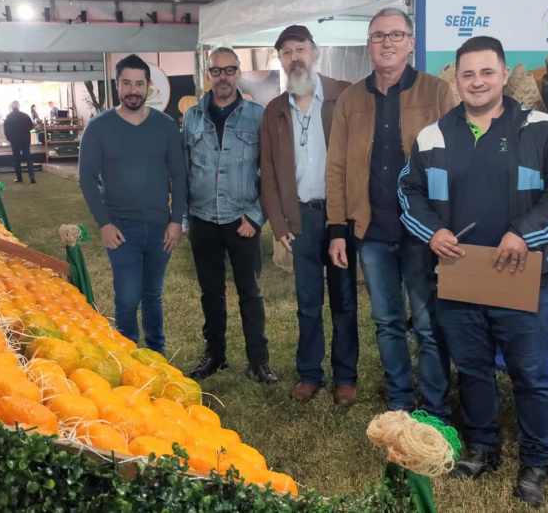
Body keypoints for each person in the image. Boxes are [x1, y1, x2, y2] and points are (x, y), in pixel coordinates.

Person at [399, 35, 548, 506]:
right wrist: (433, 232)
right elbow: (409, 191)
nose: (477, 81)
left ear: (503, 76)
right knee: (474, 368)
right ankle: (482, 447)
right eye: (467, 73)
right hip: (460, 276)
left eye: (486, 72)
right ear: (455, 80)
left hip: (522, 274)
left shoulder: (538, 128)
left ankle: (536, 460)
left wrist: (525, 232)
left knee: (531, 372)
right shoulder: (433, 135)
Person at [326, 7, 456, 418]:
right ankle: (400, 397)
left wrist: (446, 223)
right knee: (386, 321)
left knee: (428, 324)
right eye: (379, 36)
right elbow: (337, 168)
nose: (387, 43)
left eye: (396, 35)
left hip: (424, 231)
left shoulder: (436, 93)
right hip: (372, 231)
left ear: (411, 43)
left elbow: (458, 161)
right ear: (368, 45)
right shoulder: (350, 99)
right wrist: (336, 229)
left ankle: (434, 405)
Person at [260, 26, 357, 402]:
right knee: (307, 302)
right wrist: (279, 222)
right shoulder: (274, 111)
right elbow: (267, 172)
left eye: (300, 48)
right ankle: (310, 372)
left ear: (315, 53)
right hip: (300, 219)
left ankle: (346, 377)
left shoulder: (343, 96)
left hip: (339, 217)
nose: (294, 57)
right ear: (281, 61)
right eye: (286, 52)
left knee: (344, 299)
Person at [78, 54, 186, 356]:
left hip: (159, 227)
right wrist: (104, 224)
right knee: (126, 298)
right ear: (117, 85)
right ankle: (126, 358)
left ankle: (156, 355)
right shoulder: (99, 128)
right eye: (127, 83)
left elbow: (179, 175)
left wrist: (176, 220)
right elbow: (86, 178)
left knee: (153, 294)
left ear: (149, 86)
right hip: (121, 229)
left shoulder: (164, 127)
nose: (133, 90)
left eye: (139, 83)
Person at [182, 48, 277, 385]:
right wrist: (184, 219)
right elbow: (182, 171)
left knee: (250, 292)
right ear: (207, 75)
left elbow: (271, 170)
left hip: (243, 221)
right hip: (202, 219)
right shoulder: (192, 118)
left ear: (238, 74)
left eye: (229, 70)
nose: (222, 77)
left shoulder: (258, 116)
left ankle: (258, 360)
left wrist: (257, 216)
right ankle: (215, 355)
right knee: (211, 292)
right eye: (216, 71)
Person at [4, 100, 36, 184]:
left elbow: (6, 129)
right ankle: (32, 177)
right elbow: (31, 126)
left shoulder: (9, 117)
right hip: (25, 139)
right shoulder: (25, 115)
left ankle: (19, 178)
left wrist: (9, 138)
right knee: (28, 158)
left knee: (16, 159)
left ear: (11, 107)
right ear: (19, 106)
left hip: (14, 140)